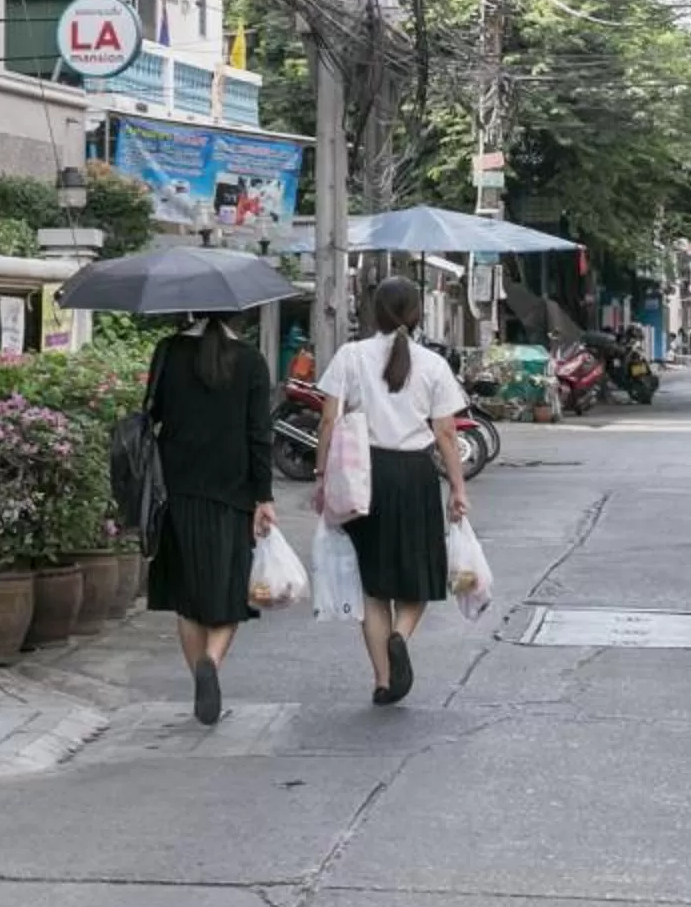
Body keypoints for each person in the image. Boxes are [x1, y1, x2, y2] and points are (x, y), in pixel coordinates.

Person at [312, 277, 469, 706]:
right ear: (418, 315)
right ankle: (401, 635)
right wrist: (457, 487)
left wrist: (321, 475)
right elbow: (447, 434)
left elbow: (328, 421)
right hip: (415, 474)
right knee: (418, 576)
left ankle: (383, 681)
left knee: (374, 585)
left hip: (365, 475)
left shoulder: (350, 356)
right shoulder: (434, 365)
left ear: (374, 313)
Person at [144, 313, 279, 725]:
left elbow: (152, 415)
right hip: (233, 493)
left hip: (178, 489)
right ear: (239, 313)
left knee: (187, 597)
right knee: (232, 593)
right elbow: (259, 433)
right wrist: (264, 496)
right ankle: (212, 664)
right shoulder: (251, 361)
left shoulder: (167, 352)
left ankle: (201, 681)